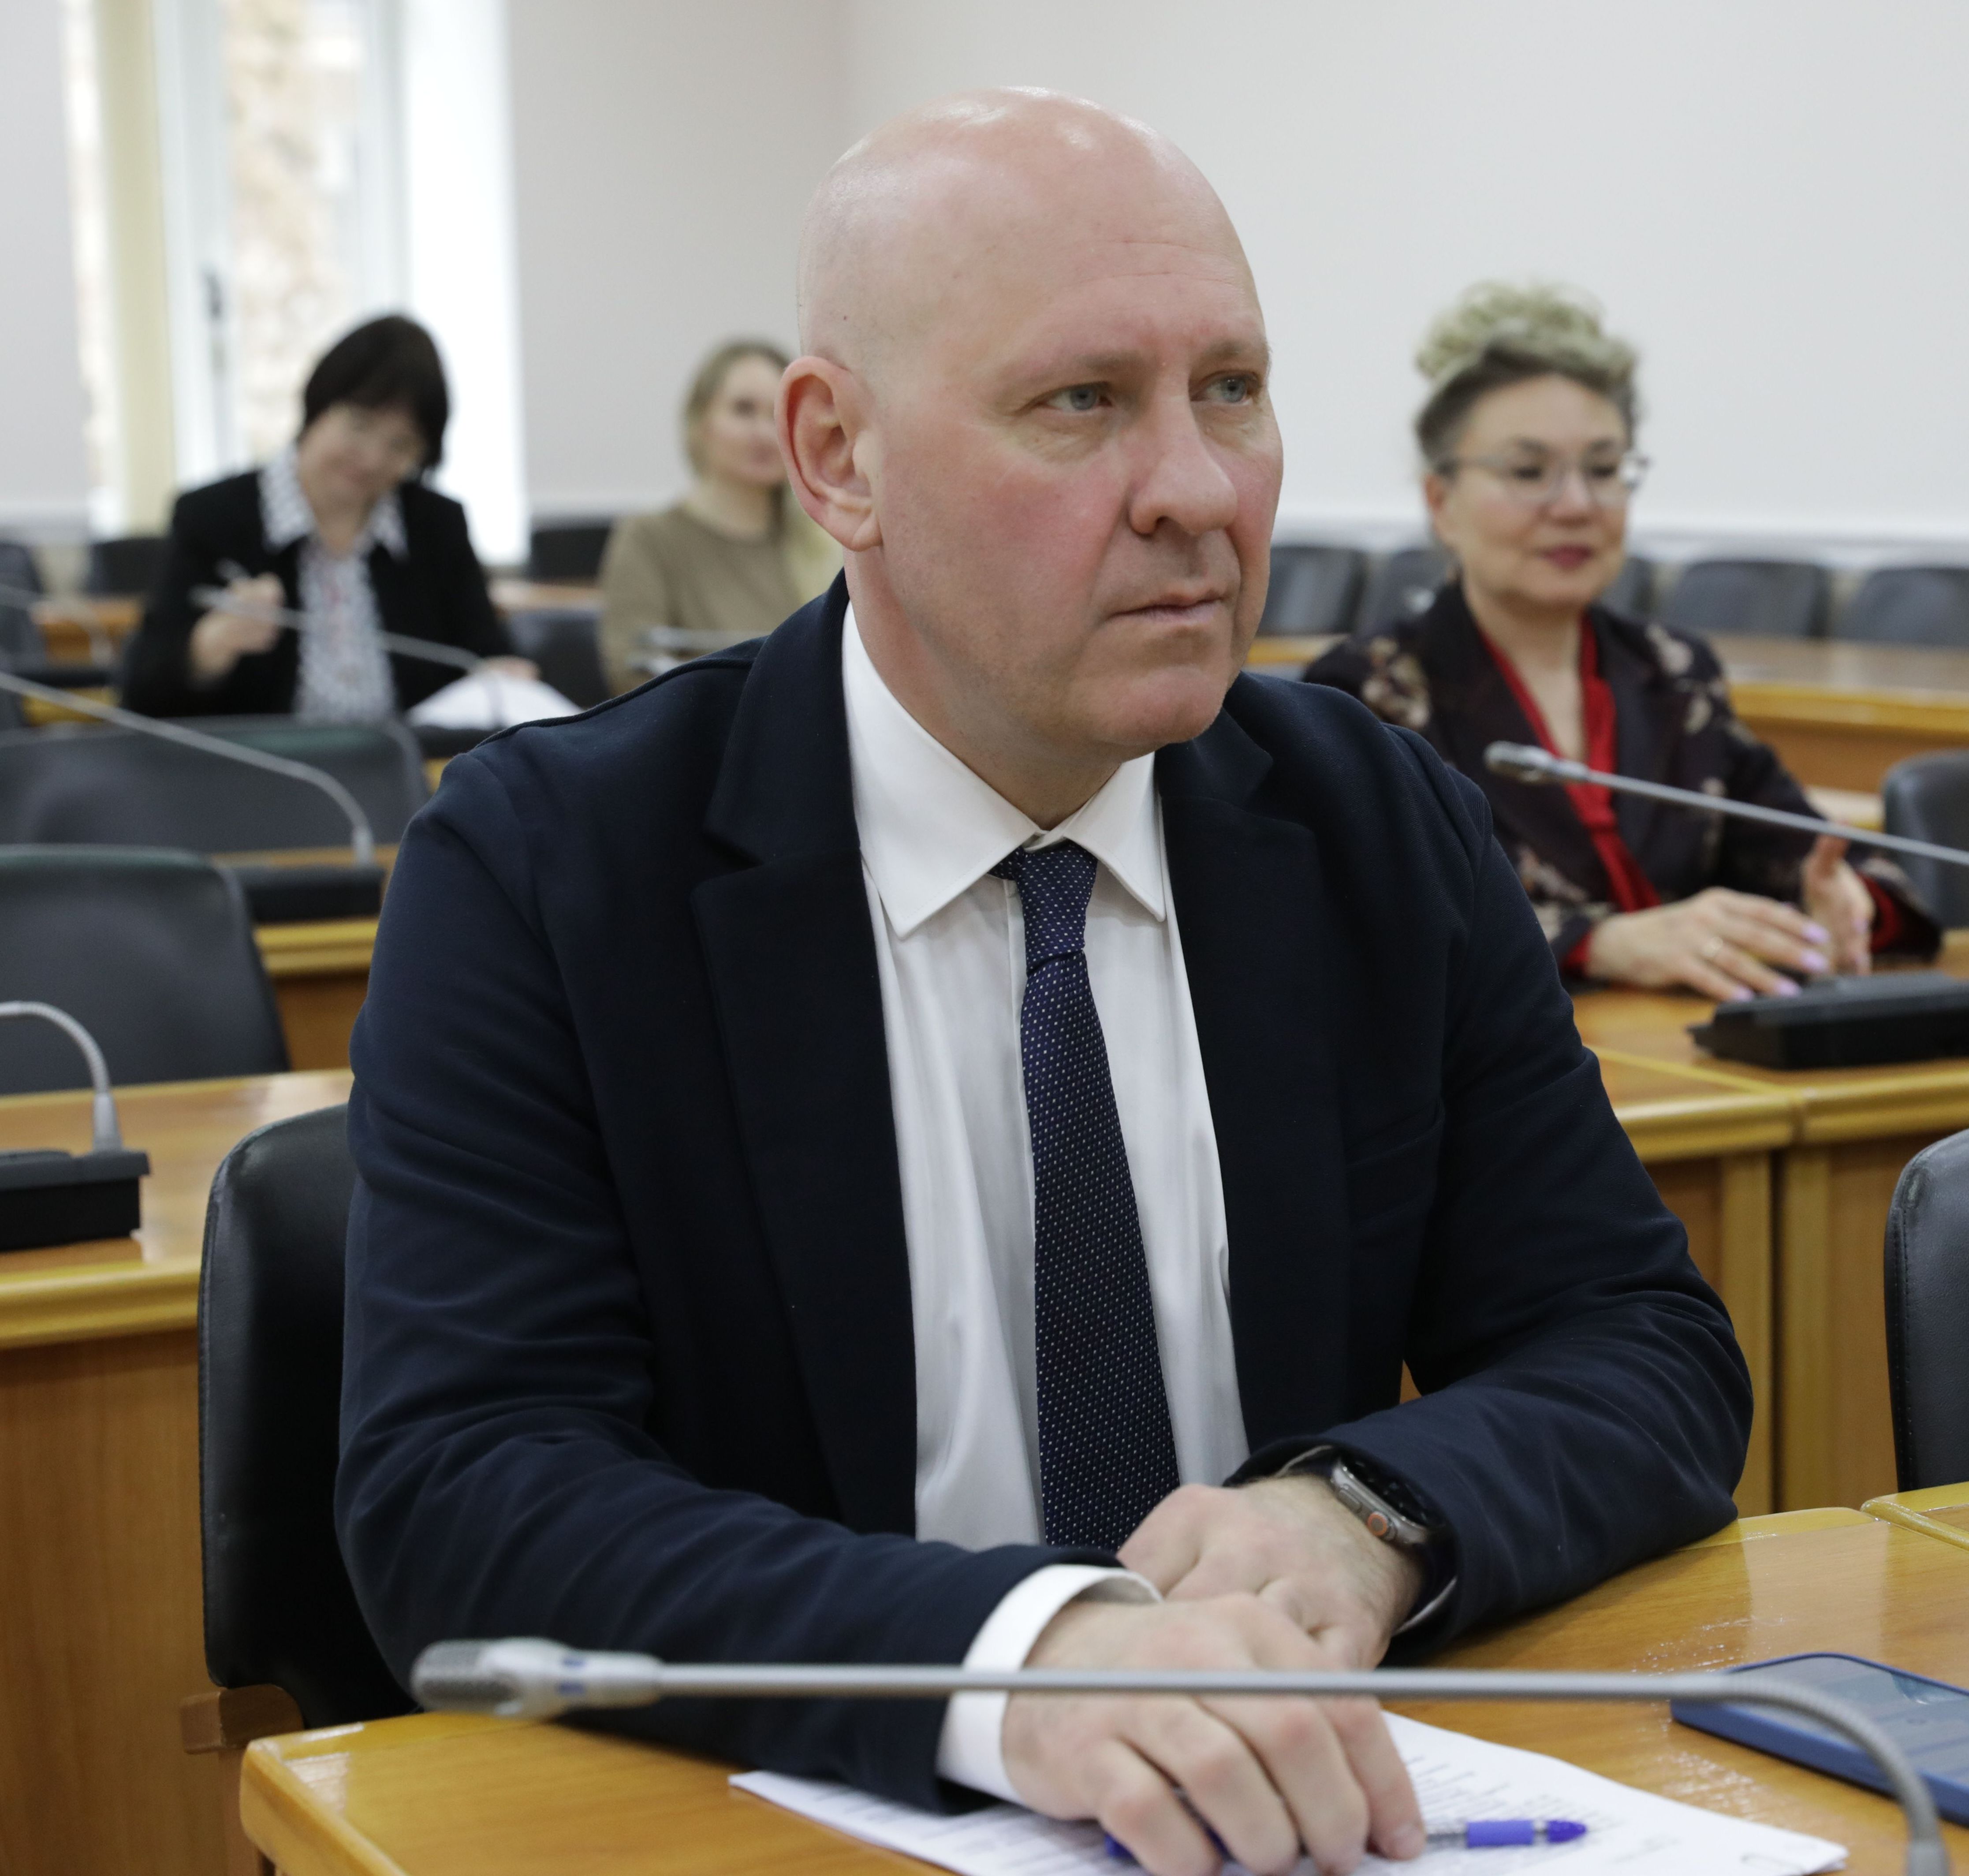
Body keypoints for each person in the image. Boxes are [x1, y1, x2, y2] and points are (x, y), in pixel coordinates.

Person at [338, 93, 1749, 1876]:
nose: (1196, 489)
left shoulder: (1373, 822)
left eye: (1230, 389)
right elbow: (464, 1490)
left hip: (1305, 1816)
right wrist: (1018, 1655)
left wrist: (1364, 1510)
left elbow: (1638, 1343)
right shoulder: (552, 867)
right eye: (1080, 401)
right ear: (838, 457)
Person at [1306, 285, 1936, 1002]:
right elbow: (1365, 922)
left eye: (1604, 470)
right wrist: (1600, 945)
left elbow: (1823, 856)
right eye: (1528, 472)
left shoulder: (1672, 674)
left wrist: (1845, 904)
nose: (1577, 505)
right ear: (1440, 502)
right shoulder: (1364, 695)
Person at [122, 315, 533, 720]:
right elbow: (140, 693)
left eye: (401, 445)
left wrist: (504, 677)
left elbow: (487, 654)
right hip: (264, 761)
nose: (373, 459)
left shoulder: (435, 524)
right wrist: (207, 648)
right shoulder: (215, 517)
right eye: (360, 426)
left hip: (414, 760)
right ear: (318, 406)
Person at [596, 339, 843, 692]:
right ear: (701, 424)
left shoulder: (824, 542)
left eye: (778, 414)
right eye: (743, 410)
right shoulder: (649, 538)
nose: (764, 432)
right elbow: (630, 675)